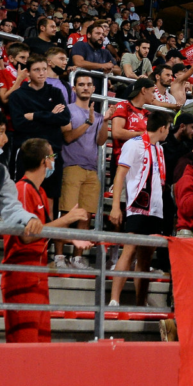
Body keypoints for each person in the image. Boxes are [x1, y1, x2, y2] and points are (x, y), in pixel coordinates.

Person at [2, 139, 87, 342]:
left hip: (39, 277)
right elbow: (26, 235)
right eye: (52, 156)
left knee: (41, 347)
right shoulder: (21, 190)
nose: (54, 161)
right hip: (21, 278)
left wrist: (71, 237)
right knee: (24, 349)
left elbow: (46, 228)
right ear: (44, 161)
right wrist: (66, 220)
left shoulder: (41, 191)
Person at [108, 112, 172, 307]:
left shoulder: (159, 149)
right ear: (162, 128)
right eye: (168, 128)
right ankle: (114, 299)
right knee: (129, 251)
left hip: (156, 208)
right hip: (137, 206)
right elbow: (120, 174)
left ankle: (140, 301)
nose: (168, 132)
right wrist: (115, 206)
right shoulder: (134, 144)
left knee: (146, 257)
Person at [56, 73, 112, 269]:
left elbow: (101, 141)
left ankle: (78, 258)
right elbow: (68, 137)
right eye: (81, 84)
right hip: (71, 167)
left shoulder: (96, 115)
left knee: (85, 216)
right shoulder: (68, 110)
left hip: (91, 170)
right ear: (74, 89)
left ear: (94, 89)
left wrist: (104, 122)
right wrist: (88, 122)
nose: (85, 87)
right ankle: (59, 257)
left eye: (89, 84)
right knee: (66, 214)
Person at [10, 54, 72, 210]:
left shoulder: (55, 93)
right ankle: (25, 232)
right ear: (28, 73)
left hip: (52, 153)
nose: (42, 73)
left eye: (44, 69)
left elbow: (64, 118)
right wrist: (51, 116)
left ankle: (47, 233)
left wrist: (35, 115)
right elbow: (20, 124)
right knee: (25, 192)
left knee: (50, 194)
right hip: (28, 152)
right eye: (36, 70)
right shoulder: (18, 95)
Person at [110, 77, 154, 167]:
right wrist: (143, 135)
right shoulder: (123, 106)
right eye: (153, 91)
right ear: (144, 90)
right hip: (122, 161)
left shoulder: (148, 114)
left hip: (140, 164)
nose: (154, 96)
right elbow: (117, 133)